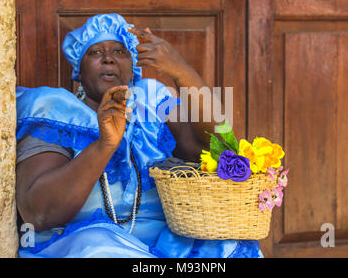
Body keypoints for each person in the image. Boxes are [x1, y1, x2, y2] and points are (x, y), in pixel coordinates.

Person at [15, 14, 263, 258]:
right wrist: (105, 145)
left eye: (119, 52)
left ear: (133, 68)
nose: (109, 59)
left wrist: (183, 73)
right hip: (87, 242)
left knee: (224, 245)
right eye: (95, 52)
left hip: (163, 241)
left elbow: (219, 147)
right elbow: (40, 214)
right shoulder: (55, 111)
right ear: (78, 71)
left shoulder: (152, 102)